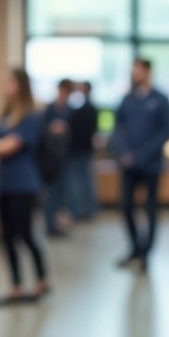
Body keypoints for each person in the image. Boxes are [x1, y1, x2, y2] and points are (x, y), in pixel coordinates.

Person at [0, 69, 50, 305]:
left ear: (21, 85)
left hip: (24, 185)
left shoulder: (31, 116)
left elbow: (9, 146)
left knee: (26, 234)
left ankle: (42, 280)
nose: (4, 85)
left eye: (9, 81)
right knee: (7, 238)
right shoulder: (5, 116)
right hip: (5, 184)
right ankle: (16, 287)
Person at [112, 59, 169, 273]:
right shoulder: (127, 100)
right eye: (133, 71)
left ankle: (146, 254)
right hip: (129, 165)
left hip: (151, 165)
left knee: (150, 209)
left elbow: (165, 131)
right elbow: (117, 129)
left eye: (138, 71)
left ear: (148, 72)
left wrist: (141, 155)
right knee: (126, 206)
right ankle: (135, 248)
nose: (135, 74)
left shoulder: (160, 100)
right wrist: (123, 153)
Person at [44, 79, 74, 237]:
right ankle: (50, 225)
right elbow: (43, 131)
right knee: (52, 192)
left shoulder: (68, 110)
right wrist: (52, 128)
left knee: (62, 192)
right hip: (51, 158)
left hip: (64, 157)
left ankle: (57, 224)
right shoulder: (50, 109)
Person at [67, 81, 99, 221]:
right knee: (87, 180)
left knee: (78, 181)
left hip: (77, 150)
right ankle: (90, 209)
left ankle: (79, 210)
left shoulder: (80, 110)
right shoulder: (91, 108)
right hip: (86, 149)